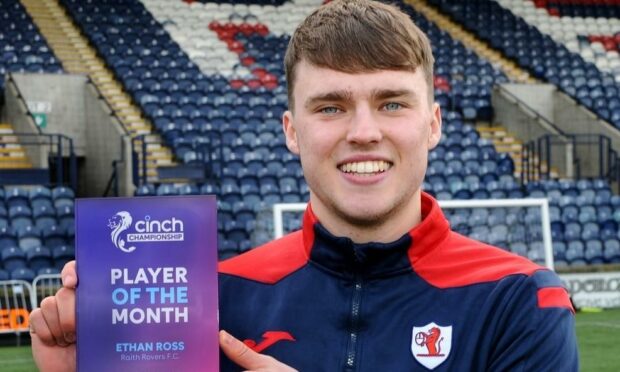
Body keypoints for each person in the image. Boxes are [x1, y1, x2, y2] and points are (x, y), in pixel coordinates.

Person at [29, 1, 578, 371]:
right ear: (292, 131)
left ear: (433, 123)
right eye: (331, 107)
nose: (364, 133)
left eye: (391, 102)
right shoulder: (211, 300)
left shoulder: (520, 298)